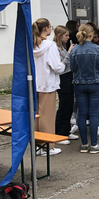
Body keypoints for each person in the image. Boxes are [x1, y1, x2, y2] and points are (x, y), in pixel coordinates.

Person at [70, 24, 99, 154]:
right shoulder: (98, 49)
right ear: (91, 35)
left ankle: (84, 144)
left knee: (81, 113)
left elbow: (73, 68)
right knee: (93, 114)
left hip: (79, 84)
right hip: (96, 83)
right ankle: (94, 145)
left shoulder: (74, 50)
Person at [32, 18, 65, 156]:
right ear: (46, 28)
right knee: (48, 117)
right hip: (48, 85)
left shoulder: (32, 44)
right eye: (50, 27)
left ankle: (39, 145)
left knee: (37, 116)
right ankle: (48, 147)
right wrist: (63, 64)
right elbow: (56, 67)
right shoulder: (50, 46)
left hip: (35, 84)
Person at [52, 25, 78, 145]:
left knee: (69, 104)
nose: (68, 37)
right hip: (62, 78)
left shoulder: (61, 47)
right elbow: (61, 65)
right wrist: (69, 53)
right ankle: (59, 133)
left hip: (68, 76)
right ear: (59, 36)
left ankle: (66, 131)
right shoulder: (55, 48)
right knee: (64, 104)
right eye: (66, 35)